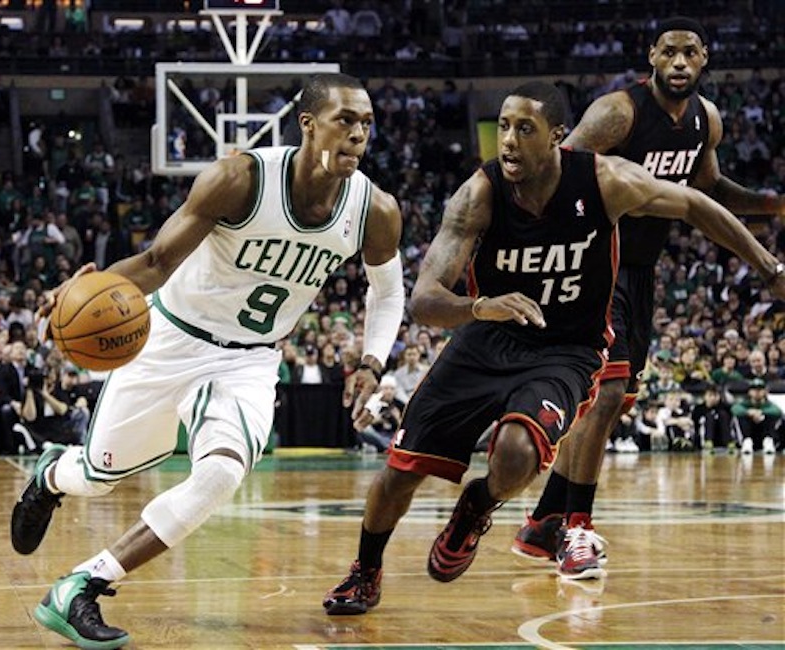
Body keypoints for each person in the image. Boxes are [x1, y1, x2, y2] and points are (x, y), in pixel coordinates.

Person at [322, 81, 785, 616]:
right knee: (400, 471)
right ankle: (366, 571)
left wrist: (770, 268)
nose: (510, 141)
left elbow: (695, 205)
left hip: (566, 348)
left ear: (559, 138)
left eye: (525, 129)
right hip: (485, 339)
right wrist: (479, 307)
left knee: (518, 452)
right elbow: (425, 297)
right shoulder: (479, 194)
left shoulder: (605, 181)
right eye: (504, 127)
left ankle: (479, 503)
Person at [10, 73, 404, 649]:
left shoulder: (375, 209)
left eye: (366, 123)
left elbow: (387, 291)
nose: (358, 134)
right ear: (309, 124)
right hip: (171, 338)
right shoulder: (241, 178)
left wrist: (372, 361)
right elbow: (158, 259)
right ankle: (51, 476)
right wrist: (80, 292)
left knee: (220, 473)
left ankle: (83, 585)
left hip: (248, 361)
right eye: (345, 120)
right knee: (97, 476)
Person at [512, 16, 785, 578]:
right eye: (669, 53)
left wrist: (772, 205)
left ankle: (543, 523)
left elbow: (709, 192)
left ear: (705, 58)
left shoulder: (706, 122)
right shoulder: (619, 112)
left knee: (609, 405)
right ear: (652, 57)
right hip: (593, 267)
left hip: (640, 272)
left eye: (689, 53)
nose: (680, 63)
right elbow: (557, 172)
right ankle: (577, 532)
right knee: (606, 396)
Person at [731, 378, 781, 455]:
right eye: (754, 389)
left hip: (764, 433)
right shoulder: (745, 403)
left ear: (765, 392)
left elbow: (777, 411)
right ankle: (746, 441)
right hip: (749, 433)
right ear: (749, 392)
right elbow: (734, 409)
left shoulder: (769, 404)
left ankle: (769, 441)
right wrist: (748, 412)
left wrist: (761, 412)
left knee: (773, 416)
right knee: (739, 417)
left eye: (760, 389)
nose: (757, 392)